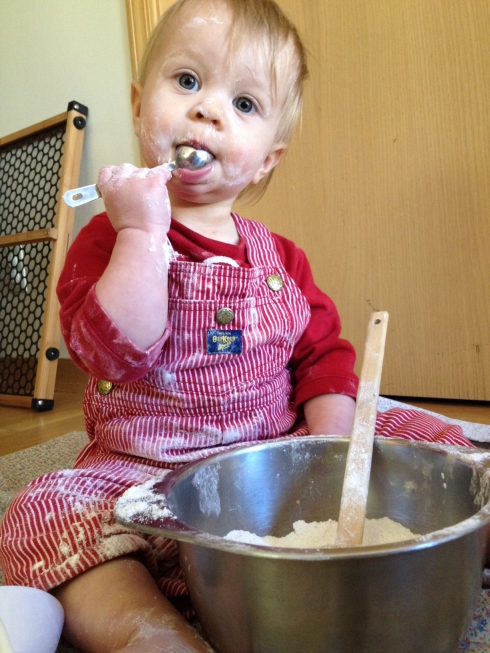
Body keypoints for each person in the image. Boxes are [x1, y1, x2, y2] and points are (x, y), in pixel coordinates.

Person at [0, 0, 474, 651]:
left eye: (245, 104)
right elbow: (113, 353)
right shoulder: (109, 240)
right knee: (43, 515)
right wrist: (142, 231)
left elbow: (324, 356)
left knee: (398, 428)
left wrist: (330, 449)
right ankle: (148, 632)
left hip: (276, 455)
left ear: (268, 158)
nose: (209, 110)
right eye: (188, 82)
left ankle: (466, 515)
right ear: (141, 106)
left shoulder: (282, 258)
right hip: (147, 476)